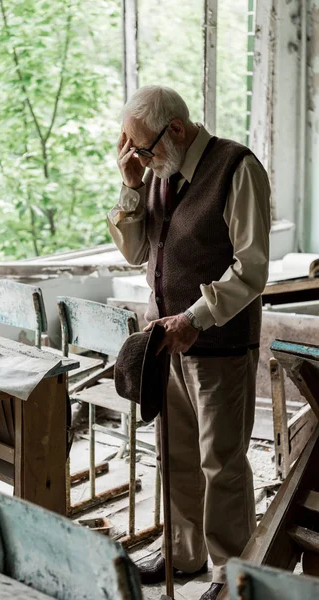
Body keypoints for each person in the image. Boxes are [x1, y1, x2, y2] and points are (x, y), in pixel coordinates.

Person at [107, 86, 271, 600]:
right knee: (175, 456)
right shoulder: (158, 175)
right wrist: (130, 188)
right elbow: (136, 253)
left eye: (141, 148)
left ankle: (232, 576)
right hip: (167, 342)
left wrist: (196, 317)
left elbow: (253, 269)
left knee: (221, 464)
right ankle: (184, 551)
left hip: (218, 343)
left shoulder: (237, 168)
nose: (138, 158)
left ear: (174, 130)